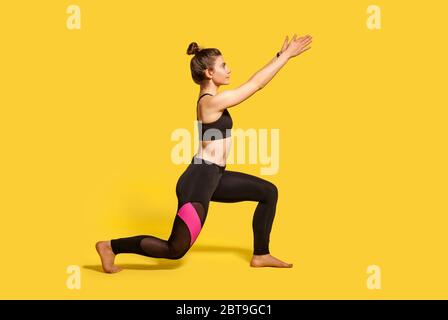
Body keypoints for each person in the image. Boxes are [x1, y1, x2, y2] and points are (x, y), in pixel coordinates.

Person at [96, 34, 313, 273]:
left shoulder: (214, 101)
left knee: (268, 192)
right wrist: (286, 58)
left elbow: (254, 83)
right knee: (174, 249)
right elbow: (255, 84)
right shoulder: (209, 103)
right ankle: (110, 247)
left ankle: (261, 254)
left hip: (214, 176)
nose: (229, 70)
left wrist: (280, 56)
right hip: (199, 181)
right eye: (223, 65)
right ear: (209, 73)